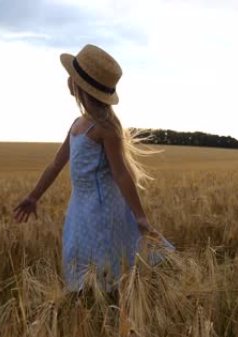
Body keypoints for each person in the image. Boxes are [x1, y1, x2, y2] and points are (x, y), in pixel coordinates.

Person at [13, 44, 173, 292]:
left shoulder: (105, 128)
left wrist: (140, 216)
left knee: (104, 263)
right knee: (78, 255)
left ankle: (108, 305)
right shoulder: (78, 124)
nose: (68, 80)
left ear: (79, 86)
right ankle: (91, 302)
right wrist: (34, 196)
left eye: (72, 77)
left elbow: (121, 174)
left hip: (102, 210)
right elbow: (56, 163)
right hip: (79, 207)